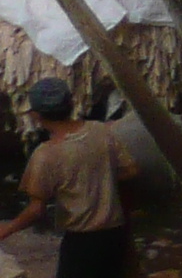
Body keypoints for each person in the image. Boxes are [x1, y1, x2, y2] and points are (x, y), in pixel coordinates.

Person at [0, 79, 137, 277]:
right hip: (114, 234)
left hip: (81, 243)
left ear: (36, 115)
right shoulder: (101, 131)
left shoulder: (47, 154)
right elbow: (129, 172)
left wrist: (7, 229)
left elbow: (36, 209)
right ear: (71, 104)